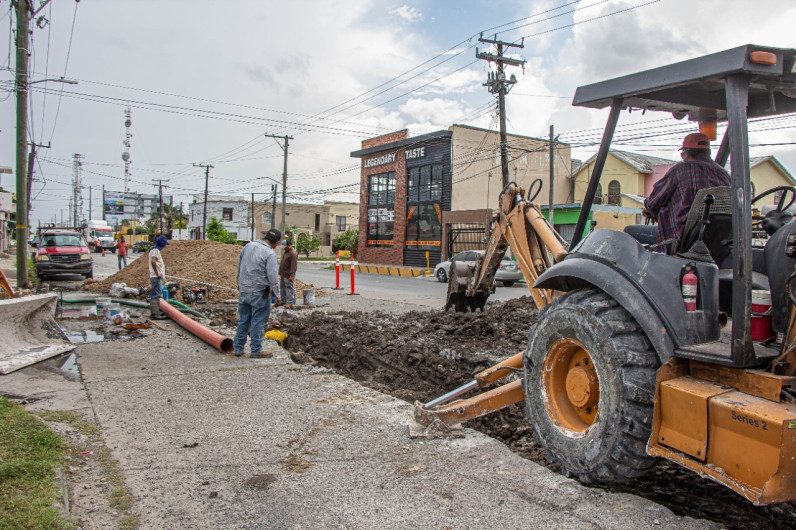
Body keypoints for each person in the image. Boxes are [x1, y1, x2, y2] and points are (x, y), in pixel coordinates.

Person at [644, 132, 731, 246]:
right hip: (717, 241)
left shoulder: (681, 169)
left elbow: (653, 202)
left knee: (631, 231)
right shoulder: (724, 173)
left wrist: (649, 210)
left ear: (686, 153)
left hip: (682, 240)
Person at [234, 228, 282, 358]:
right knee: (258, 321)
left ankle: (238, 348)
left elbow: (239, 266)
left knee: (243, 320)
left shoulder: (248, 246)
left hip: (244, 290)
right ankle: (256, 350)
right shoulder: (269, 253)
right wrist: (277, 295)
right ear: (276, 242)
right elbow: (272, 277)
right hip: (259, 292)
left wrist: (239, 284)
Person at [148, 235, 169, 320]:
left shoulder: (153, 250)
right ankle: (155, 314)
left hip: (156, 276)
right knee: (156, 295)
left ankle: (155, 312)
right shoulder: (155, 250)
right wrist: (158, 273)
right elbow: (153, 261)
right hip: (156, 277)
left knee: (155, 294)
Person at [279, 238, 298, 308]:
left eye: (285, 247)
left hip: (288, 274)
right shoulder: (286, 252)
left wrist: (291, 275)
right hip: (283, 274)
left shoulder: (293, 253)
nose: (284, 248)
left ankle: (289, 303)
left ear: (289, 245)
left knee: (289, 288)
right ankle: (283, 301)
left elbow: (293, 265)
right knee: (282, 288)